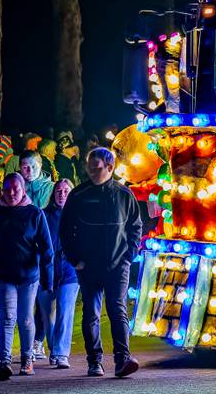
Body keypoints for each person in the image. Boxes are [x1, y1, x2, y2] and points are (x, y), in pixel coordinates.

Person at [61, 148, 144, 378]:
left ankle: (122, 359)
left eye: (96, 168)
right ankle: (94, 361)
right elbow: (66, 230)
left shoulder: (124, 194)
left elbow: (135, 226)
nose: (92, 172)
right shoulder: (78, 195)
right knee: (91, 313)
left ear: (110, 167)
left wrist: (128, 256)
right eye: (89, 167)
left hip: (118, 264)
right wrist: (75, 259)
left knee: (117, 310)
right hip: (88, 265)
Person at [0, 173, 53, 379]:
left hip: (28, 276)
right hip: (2, 275)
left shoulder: (35, 214)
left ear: (23, 190)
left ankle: (27, 359)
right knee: (7, 317)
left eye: (15, 189)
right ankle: (5, 361)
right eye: (7, 189)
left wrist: (47, 278)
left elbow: (46, 249)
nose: (11, 193)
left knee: (25, 318)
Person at [34, 179, 79, 369]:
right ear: (53, 194)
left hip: (70, 271)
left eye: (66, 191)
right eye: (59, 191)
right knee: (47, 315)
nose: (62, 194)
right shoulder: (43, 215)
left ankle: (61, 353)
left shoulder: (79, 216)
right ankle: (54, 347)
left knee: (65, 311)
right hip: (46, 271)